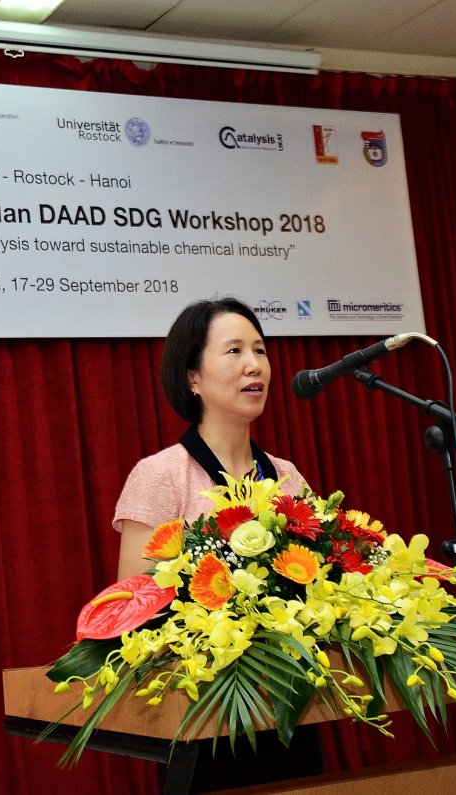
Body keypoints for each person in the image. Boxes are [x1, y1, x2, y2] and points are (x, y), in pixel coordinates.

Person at [112, 298, 323, 792]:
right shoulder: (161, 476)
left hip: (290, 706)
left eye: (260, 350)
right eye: (234, 351)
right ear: (193, 378)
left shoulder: (287, 477)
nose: (255, 365)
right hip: (204, 712)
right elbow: (134, 606)